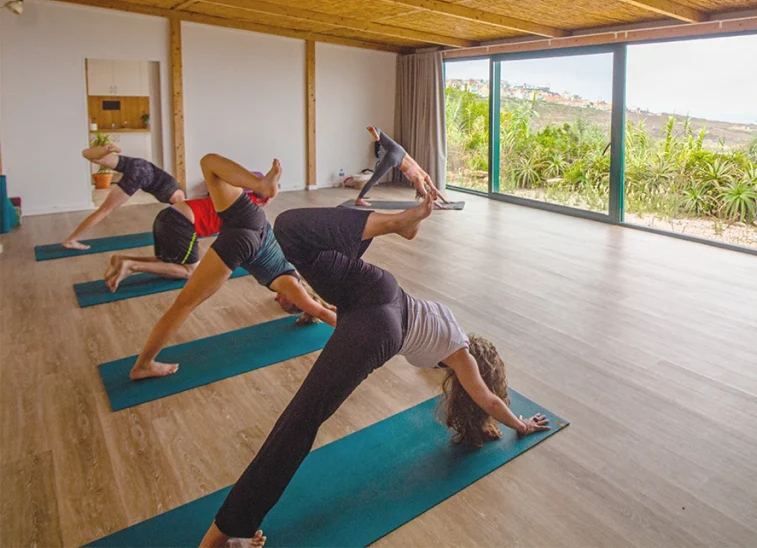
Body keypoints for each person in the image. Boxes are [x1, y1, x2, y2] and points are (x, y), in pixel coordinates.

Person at [199, 200, 549, 547]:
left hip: (381, 287)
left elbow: (434, 352)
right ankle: (227, 530)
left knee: (289, 229)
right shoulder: (460, 358)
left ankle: (393, 223)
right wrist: (520, 425)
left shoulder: (451, 324)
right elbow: (488, 400)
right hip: (381, 326)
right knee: (302, 419)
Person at [129, 154, 334, 381]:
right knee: (183, 305)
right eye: (283, 303)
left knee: (209, 164)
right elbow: (321, 312)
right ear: (294, 300)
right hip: (245, 242)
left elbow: (323, 306)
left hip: (255, 221)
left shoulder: (294, 274)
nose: (276, 299)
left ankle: (260, 186)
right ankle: (143, 365)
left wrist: (334, 306)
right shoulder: (293, 287)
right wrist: (357, 329)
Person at [104, 188, 271, 293]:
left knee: (168, 261)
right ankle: (132, 266)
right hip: (181, 224)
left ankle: (122, 259)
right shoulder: (249, 210)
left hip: (166, 216)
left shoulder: (232, 196)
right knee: (190, 271)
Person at [62, 144, 185, 250]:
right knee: (105, 210)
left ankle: (106, 149)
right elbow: (184, 216)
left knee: (88, 155)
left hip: (139, 164)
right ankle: (71, 240)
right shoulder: (178, 197)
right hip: (142, 174)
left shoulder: (176, 190)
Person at [354, 126, 449, 207]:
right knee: (374, 179)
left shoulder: (424, 177)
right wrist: (442, 204)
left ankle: (377, 135)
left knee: (378, 131)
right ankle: (359, 199)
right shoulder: (420, 180)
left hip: (400, 150)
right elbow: (430, 193)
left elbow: (432, 191)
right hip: (396, 159)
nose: (433, 192)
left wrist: (444, 202)